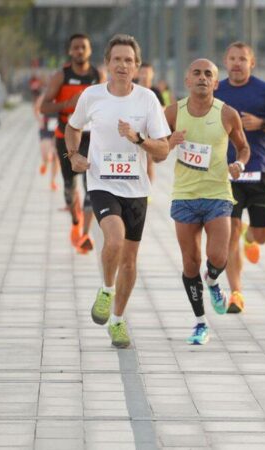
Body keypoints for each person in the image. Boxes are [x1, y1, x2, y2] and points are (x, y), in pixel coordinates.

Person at [66, 34, 170, 348]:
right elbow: (72, 128)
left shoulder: (148, 99)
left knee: (130, 261)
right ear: (107, 64)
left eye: (128, 60)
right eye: (117, 60)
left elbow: (163, 150)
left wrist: (138, 139)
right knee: (113, 238)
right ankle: (106, 290)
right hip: (101, 182)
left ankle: (118, 320)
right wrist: (74, 156)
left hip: (136, 188)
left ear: (137, 66)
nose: (122, 65)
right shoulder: (92, 96)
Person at [165, 59, 251, 344]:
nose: (202, 78)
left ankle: (213, 281)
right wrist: (167, 143)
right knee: (191, 264)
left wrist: (239, 163)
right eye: (197, 73)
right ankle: (200, 323)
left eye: (209, 75)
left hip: (217, 194)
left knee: (219, 256)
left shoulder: (227, 113)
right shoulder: (172, 112)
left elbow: (243, 147)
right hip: (184, 196)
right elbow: (156, 148)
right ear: (187, 80)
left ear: (216, 83)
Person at [214, 41, 265, 314]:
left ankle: (251, 237)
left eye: (242, 59)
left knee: (262, 235)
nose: (236, 63)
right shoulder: (216, 91)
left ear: (252, 63)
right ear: (225, 61)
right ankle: (236, 293)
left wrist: (263, 124)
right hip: (227, 173)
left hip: (260, 171)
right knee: (229, 234)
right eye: (232, 58)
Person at [40, 33, 105, 254]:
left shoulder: (98, 75)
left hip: (91, 138)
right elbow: (44, 107)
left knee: (91, 185)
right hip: (64, 137)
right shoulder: (62, 76)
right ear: (70, 51)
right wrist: (68, 103)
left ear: (89, 51)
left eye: (83, 47)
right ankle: (76, 223)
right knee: (69, 186)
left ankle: (85, 234)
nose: (79, 51)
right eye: (75, 47)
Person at [135, 62, 165, 185]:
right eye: (143, 72)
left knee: (149, 161)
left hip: (151, 131)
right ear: (138, 73)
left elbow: (163, 109)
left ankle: (147, 189)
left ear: (152, 74)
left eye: (148, 73)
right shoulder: (133, 90)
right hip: (136, 130)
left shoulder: (156, 92)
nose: (145, 76)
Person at [34, 73, 60, 190]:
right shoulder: (44, 96)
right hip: (46, 127)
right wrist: (39, 121)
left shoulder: (62, 96)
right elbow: (36, 109)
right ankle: (45, 163)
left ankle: (53, 181)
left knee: (56, 156)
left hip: (59, 128)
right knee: (46, 154)